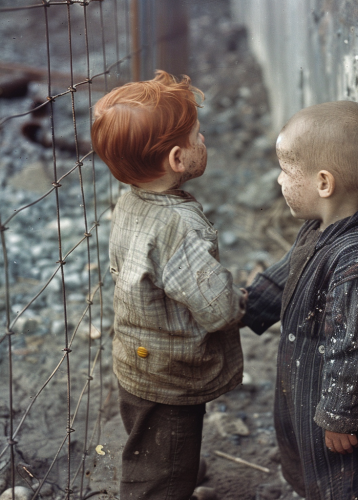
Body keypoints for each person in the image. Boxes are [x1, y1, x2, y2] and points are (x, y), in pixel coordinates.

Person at [91, 70, 247, 500]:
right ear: (178, 160)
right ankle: (166, 484)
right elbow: (217, 309)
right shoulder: (179, 226)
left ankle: (174, 469)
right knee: (165, 458)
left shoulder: (130, 200)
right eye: (199, 137)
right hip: (171, 372)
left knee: (148, 435)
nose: (205, 142)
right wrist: (240, 301)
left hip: (135, 356)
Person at [241, 101, 358, 500]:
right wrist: (243, 306)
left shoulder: (356, 260)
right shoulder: (317, 229)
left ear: (323, 183)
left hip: (332, 414)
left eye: (286, 171)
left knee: (339, 482)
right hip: (303, 389)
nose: (278, 181)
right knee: (307, 467)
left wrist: (341, 415)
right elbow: (284, 278)